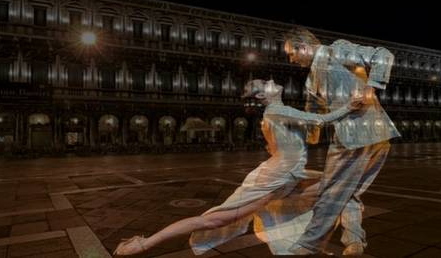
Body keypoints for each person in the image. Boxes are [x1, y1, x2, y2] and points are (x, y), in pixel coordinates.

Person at [114, 79, 360, 255]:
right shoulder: (276, 110)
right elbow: (321, 120)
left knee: (336, 186)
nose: (272, 80)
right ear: (263, 97)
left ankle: (316, 240)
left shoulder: (274, 115)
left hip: (285, 176)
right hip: (273, 179)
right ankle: (144, 244)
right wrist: (351, 105)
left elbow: (287, 147)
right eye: (266, 83)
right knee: (214, 221)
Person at [284, 28, 400, 255]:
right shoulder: (311, 80)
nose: (291, 59)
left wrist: (371, 87)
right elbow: (313, 113)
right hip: (378, 137)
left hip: (352, 137)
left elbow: (383, 55)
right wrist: (306, 136)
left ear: (304, 47)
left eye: (291, 53)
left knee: (329, 191)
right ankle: (354, 241)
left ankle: (308, 244)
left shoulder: (336, 50)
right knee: (350, 191)